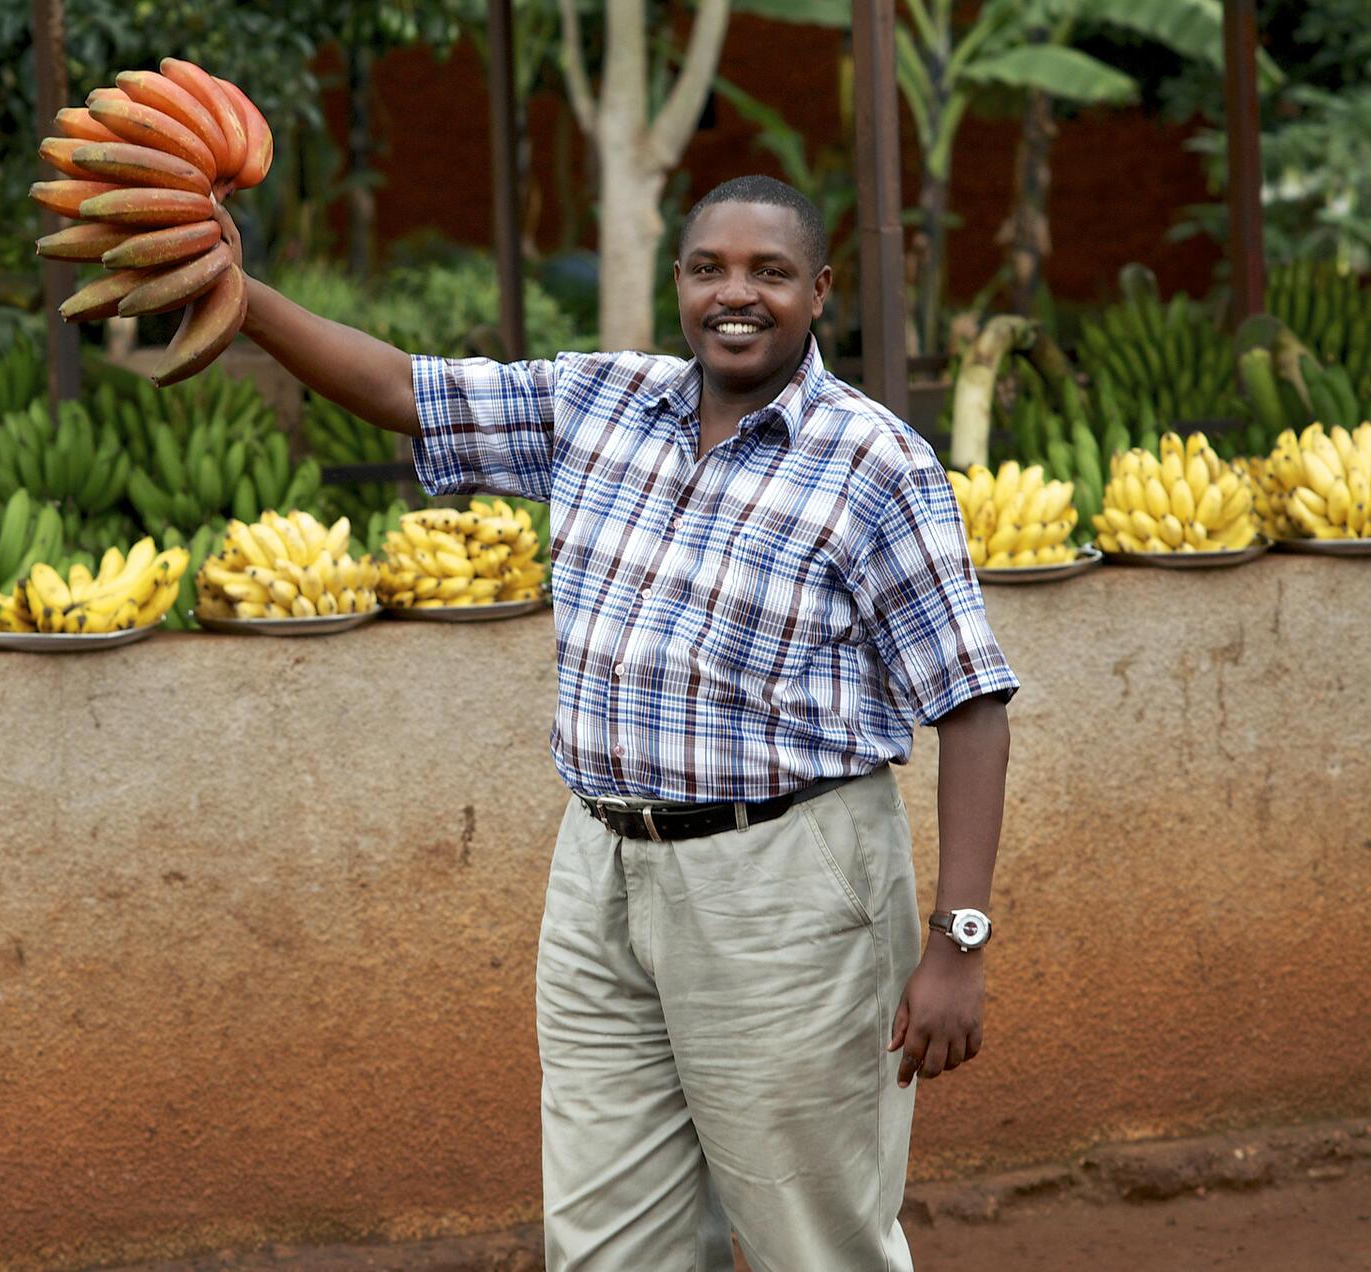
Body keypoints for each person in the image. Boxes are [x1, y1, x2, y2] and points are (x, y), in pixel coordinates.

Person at [219, 174, 1016, 1271]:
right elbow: (412, 390)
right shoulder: (603, 404)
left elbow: (971, 706)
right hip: (600, 872)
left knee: (811, 1238)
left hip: (785, 885)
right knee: (604, 1240)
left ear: (820, 290)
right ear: (679, 284)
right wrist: (239, 293)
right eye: (709, 269)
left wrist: (957, 941)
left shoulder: (878, 467)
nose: (736, 295)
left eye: (770, 272)